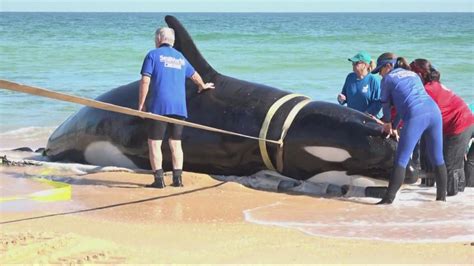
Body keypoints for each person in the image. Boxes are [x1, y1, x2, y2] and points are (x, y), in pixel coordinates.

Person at [138, 27, 215, 188]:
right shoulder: (180, 58)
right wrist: (202, 86)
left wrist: (141, 105)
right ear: (171, 41)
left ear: (159, 38)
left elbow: (145, 80)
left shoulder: (153, 55)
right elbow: (194, 75)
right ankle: (177, 180)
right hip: (179, 107)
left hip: (159, 106)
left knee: (154, 143)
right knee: (175, 144)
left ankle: (159, 181)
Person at [371, 52, 447, 204]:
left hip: (416, 116)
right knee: (437, 157)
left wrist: (387, 123)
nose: (380, 74)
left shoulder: (388, 79)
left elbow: (386, 105)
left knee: (402, 159)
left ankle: (388, 200)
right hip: (434, 112)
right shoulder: (413, 75)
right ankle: (441, 200)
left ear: (388, 66)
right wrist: (393, 124)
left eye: (380, 70)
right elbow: (402, 105)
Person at [410, 59, 474, 195]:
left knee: (449, 165)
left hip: (459, 124)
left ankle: (451, 200)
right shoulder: (434, 85)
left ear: (420, 75)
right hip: (463, 122)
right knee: (455, 164)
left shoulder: (426, 90)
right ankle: (461, 196)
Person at [337, 51, 382, 117]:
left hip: (370, 119)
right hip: (353, 118)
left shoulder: (374, 80)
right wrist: (341, 99)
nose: (353, 64)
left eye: (356, 63)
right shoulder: (350, 77)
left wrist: (365, 115)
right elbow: (344, 98)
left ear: (365, 65)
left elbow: (378, 103)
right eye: (353, 62)